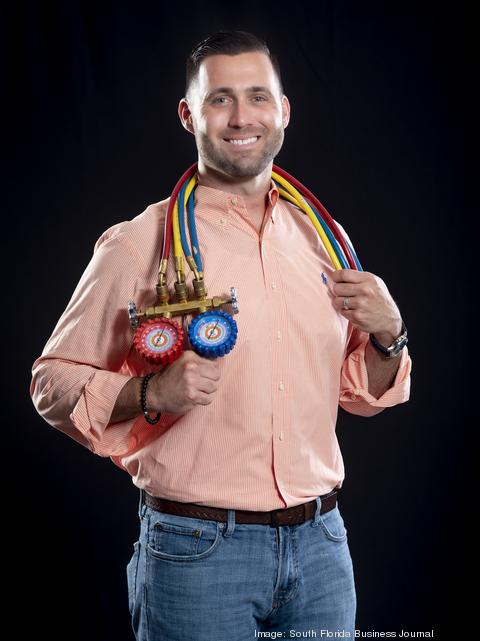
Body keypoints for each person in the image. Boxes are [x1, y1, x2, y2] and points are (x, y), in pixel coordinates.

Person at [30, 30, 412, 641]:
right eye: (220, 99)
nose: (242, 117)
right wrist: (150, 393)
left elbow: (358, 393)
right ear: (189, 114)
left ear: (283, 110)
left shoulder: (326, 238)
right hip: (197, 550)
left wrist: (391, 335)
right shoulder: (139, 242)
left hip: (322, 547)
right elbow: (50, 383)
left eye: (259, 97)